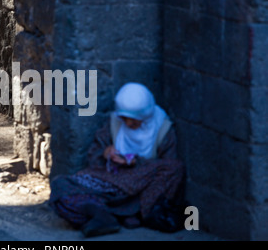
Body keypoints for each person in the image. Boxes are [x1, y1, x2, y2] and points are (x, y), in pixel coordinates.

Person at [49, 82, 186, 237]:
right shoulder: (114, 123)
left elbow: (167, 167)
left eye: (134, 119)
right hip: (108, 181)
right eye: (124, 118)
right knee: (60, 187)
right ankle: (104, 216)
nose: (128, 123)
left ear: (145, 115)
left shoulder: (162, 130)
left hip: (139, 186)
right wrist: (106, 153)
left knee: (176, 167)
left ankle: (129, 214)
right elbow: (94, 156)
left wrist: (136, 163)